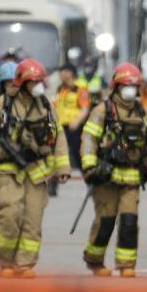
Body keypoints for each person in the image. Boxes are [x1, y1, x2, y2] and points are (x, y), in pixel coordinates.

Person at [0, 59, 71, 279]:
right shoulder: (2, 105)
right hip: (8, 171)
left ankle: (24, 264)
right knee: (10, 216)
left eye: (40, 81)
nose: (38, 85)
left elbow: (59, 136)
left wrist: (62, 166)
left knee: (32, 220)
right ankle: (6, 262)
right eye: (34, 81)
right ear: (23, 82)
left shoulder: (46, 106)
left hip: (36, 171)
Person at [80, 62, 147, 277]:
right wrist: (90, 167)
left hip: (131, 177)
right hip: (106, 176)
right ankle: (94, 260)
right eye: (126, 85)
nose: (130, 89)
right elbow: (89, 139)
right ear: (116, 86)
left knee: (129, 222)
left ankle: (126, 265)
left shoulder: (141, 112)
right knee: (106, 221)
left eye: (134, 86)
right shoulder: (103, 110)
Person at [51, 63, 90, 196]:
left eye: (64, 71)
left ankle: (90, 183)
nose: (61, 74)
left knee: (79, 156)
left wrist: (77, 121)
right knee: (56, 154)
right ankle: (52, 186)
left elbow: (85, 108)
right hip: (61, 127)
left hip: (74, 127)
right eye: (60, 71)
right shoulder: (60, 89)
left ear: (70, 73)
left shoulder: (80, 88)